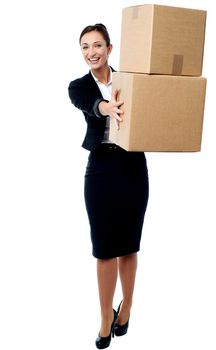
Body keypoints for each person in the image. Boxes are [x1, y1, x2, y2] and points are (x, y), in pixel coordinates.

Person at [68, 23, 149, 349]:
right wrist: (106, 107)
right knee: (104, 249)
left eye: (97, 45)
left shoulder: (130, 80)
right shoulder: (78, 86)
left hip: (132, 167)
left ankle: (126, 307)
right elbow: (89, 103)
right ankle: (105, 316)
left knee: (129, 245)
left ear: (110, 49)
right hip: (100, 170)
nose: (92, 52)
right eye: (85, 47)